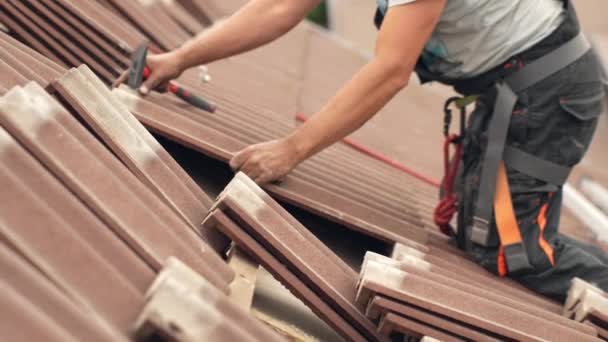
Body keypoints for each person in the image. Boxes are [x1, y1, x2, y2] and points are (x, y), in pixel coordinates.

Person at [119, 0, 608, 302]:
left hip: (548, 89)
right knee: (479, 231)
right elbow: (277, 9)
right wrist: (179, 59)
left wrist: (291, 150)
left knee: (508, 250)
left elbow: (391, 70)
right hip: (517, 85)